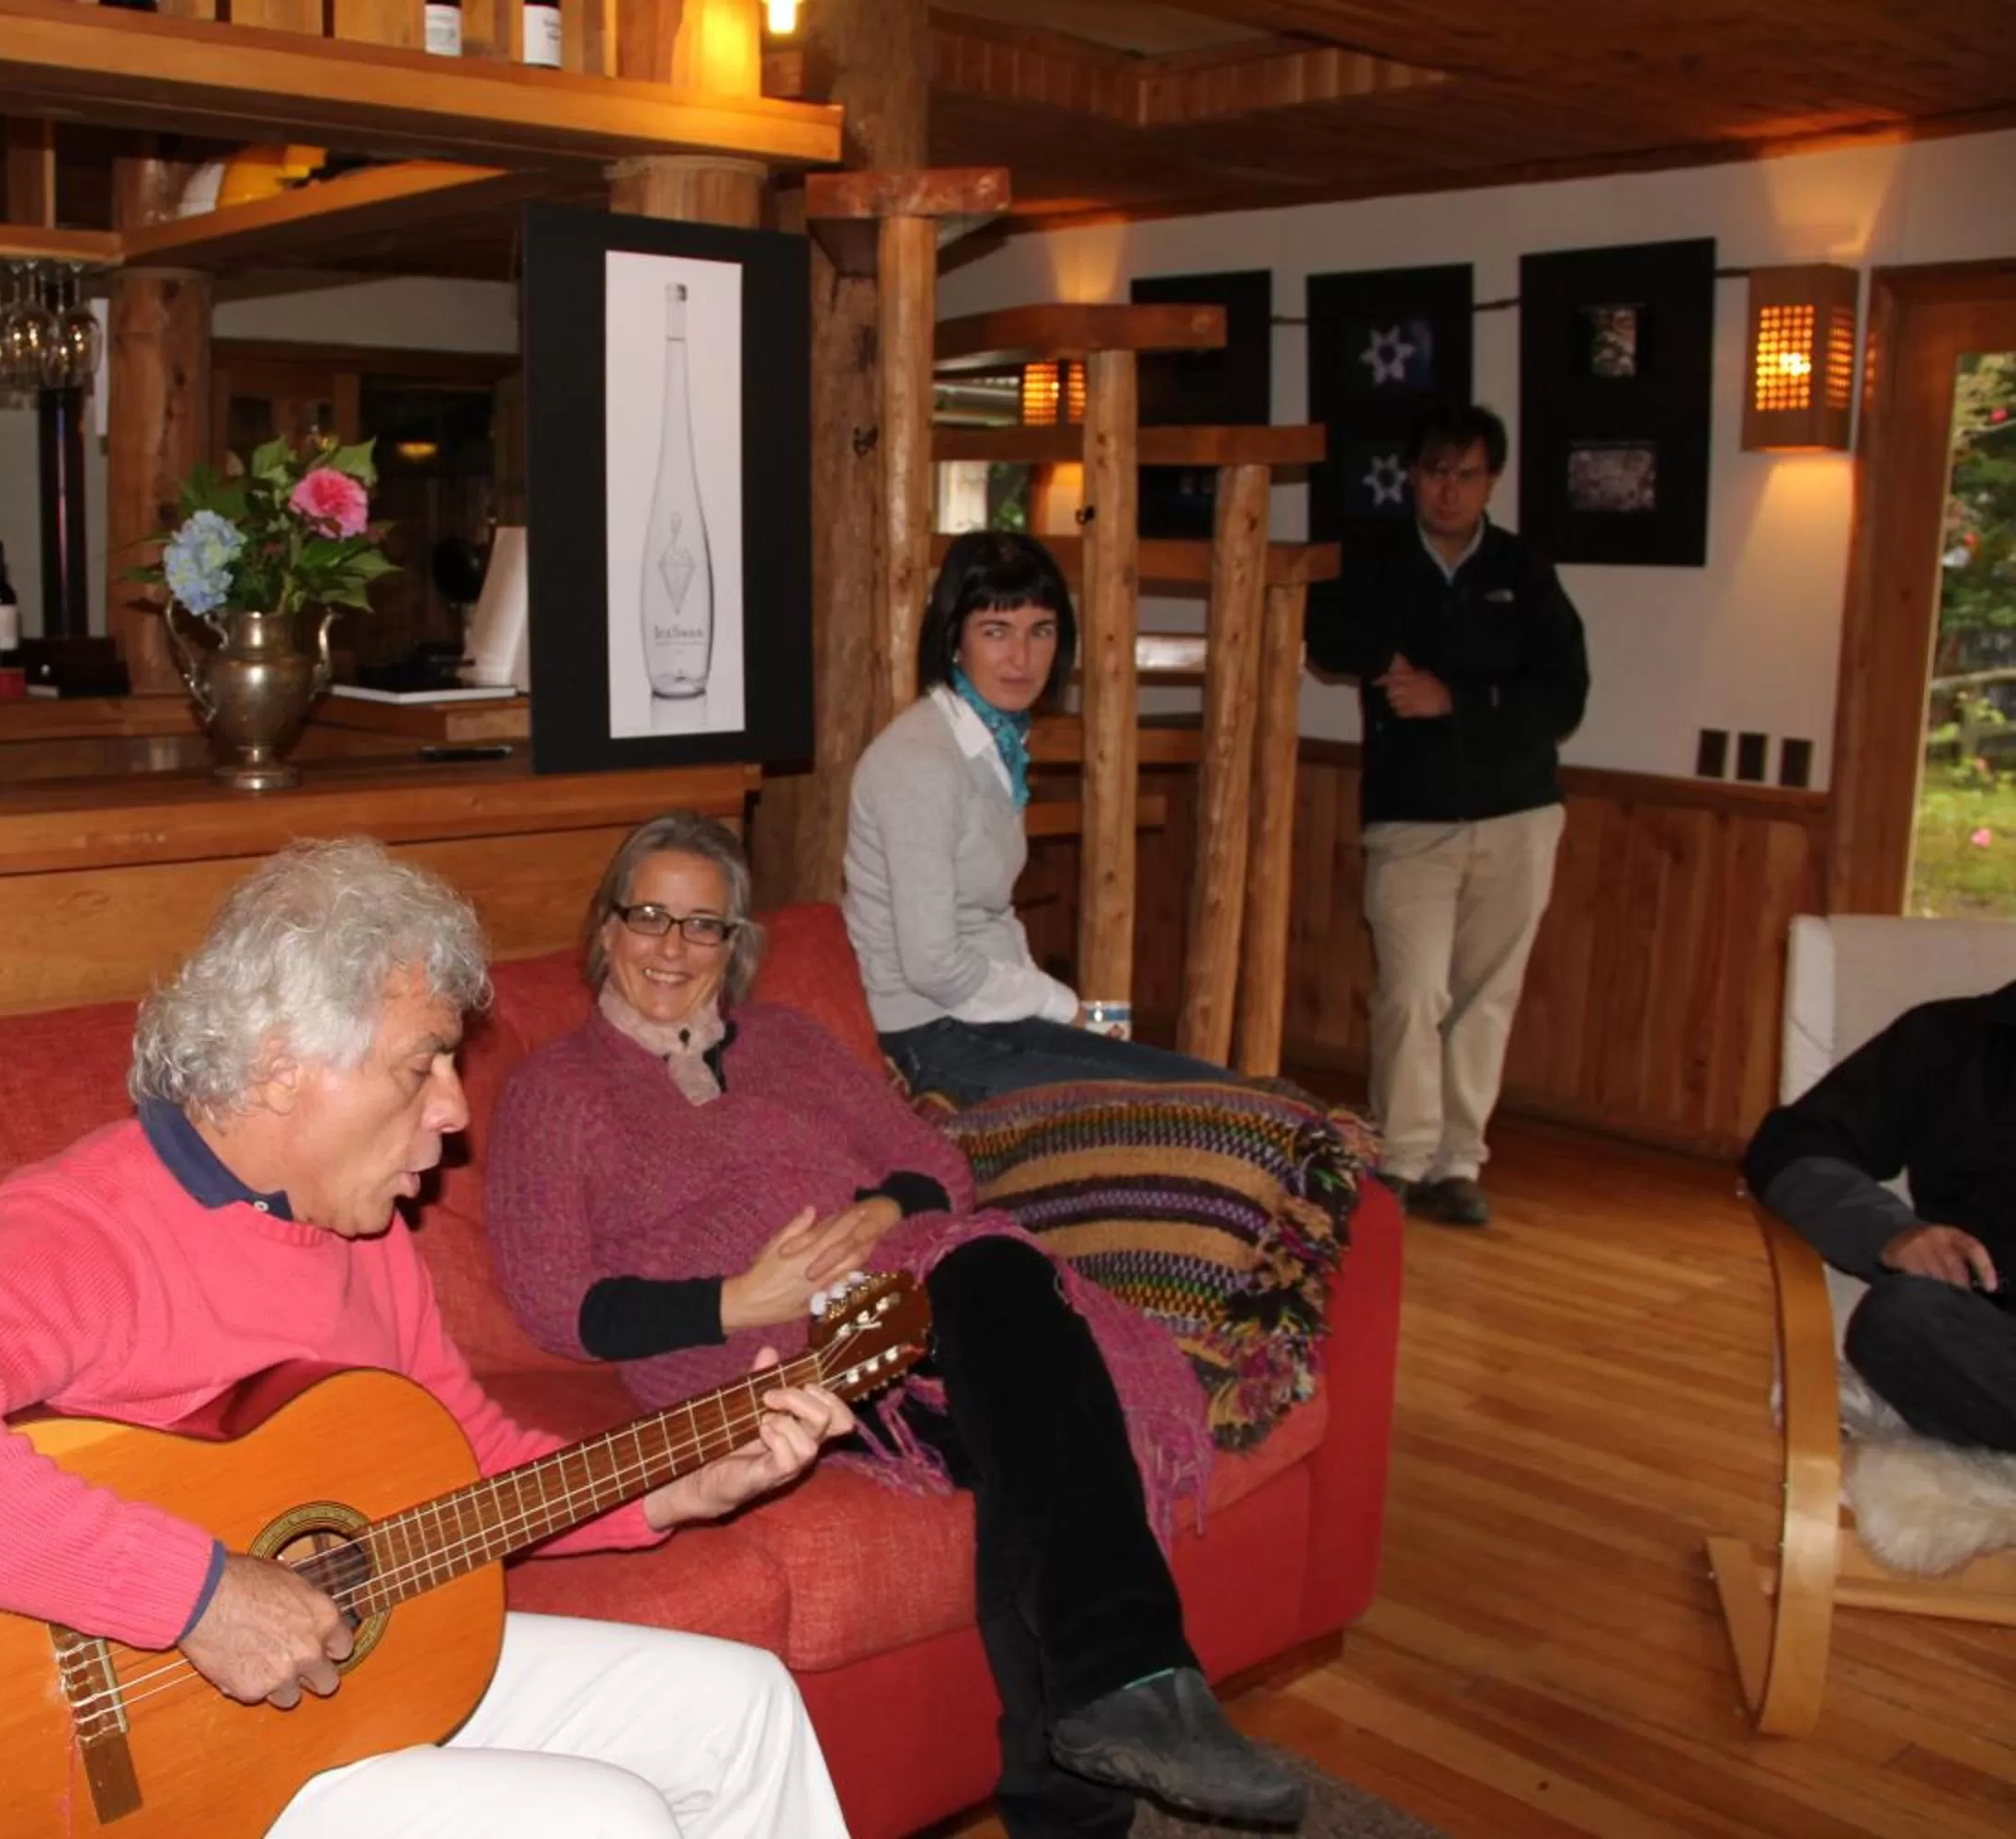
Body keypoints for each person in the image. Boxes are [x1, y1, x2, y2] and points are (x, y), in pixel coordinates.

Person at [0, 840, 857, 1839]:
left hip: (339, 1681)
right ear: (285, 1065)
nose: (454, 1108)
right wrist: (196, 1594)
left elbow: (460, 1463)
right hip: (172, 1767)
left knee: (744, 1707)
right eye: (421, 1063)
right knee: (607, 1820)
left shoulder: (363, 1228)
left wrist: (671, 1484)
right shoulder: (88, 1226)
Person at [485, 813, 1307, 1837]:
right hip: (758, 1353)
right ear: (606, 926)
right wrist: (741, 1297)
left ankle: (1092, 1752)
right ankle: (1124, 1696)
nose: (672, 946)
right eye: (648, 915)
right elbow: (558, 1303)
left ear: (733, 944)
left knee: (1022, 1418)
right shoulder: (556, 1090)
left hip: (910, 1301)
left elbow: (935, 1165)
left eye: (702, 925)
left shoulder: (788, 1040)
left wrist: (878, 1212)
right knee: (1019, 1336)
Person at [1305, 403, 1589, 1227]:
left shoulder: (1524, 573)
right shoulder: (1377, 562)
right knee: (1412, 992)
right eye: (1436, 472)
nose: (1449, 490)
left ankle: (1456, 1163)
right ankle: (1400, 1155)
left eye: (1466, 474)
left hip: (1518, 817)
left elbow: (1563, 696)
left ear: (1490, 480)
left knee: (1483, 998)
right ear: (1413, 476)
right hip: (1410, 821)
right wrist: (1386, 659)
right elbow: (1322, 634)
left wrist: (1455, 699)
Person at [844, 530, 1224, 1105]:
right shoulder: (921, 760)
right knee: (1197, 1109)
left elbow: (992, 915)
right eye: (996, 631)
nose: (1022, 659)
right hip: (927, 1035)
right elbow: (933, 966)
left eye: (1040, 631)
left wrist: (1069, 1013)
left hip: (987, 1020)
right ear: (954, 639)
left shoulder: (994, 743)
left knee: (1221, 1089)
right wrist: (1066, 1008)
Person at [1743, 977, 2016, 1453]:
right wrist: (1893, 1233)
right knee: (1899, 1318)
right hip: (1993, 1343)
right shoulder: (1950, 1039)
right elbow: (1789, 1147)